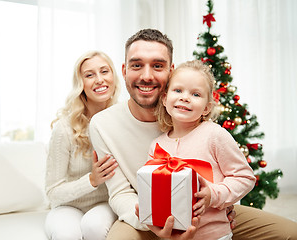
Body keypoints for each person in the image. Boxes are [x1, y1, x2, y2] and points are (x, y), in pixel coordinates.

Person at [89, 28, 297, 240]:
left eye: (158, 66)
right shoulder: (103, 125)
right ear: (124, 70)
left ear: (170, 71)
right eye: (137, 65)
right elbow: (120, 193)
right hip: (148, 216)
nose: (147, 75)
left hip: (207, 214)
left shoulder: (193, 115)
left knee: (291, 233)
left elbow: (229, 172)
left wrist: (222, 203)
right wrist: (152, 220)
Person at [147, 59, 255, 240]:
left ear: (206, 108)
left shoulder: (215, 136)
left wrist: (213, 195)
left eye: (195, 94)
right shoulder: (156, 145)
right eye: (178, 90)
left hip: (214, 235)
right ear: (165, 99)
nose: (185, 97)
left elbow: (245, 177)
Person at [44, 50, 121, 240]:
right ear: (81, 84)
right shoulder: (64, 128)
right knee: (66, 234)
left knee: (94, 227)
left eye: (104, 71)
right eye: (89, 75)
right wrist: (92, 180)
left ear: (114, 76)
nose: (99, 80)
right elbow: (53, 193)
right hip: (68, 205)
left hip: (105, 203)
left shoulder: (122, 120)